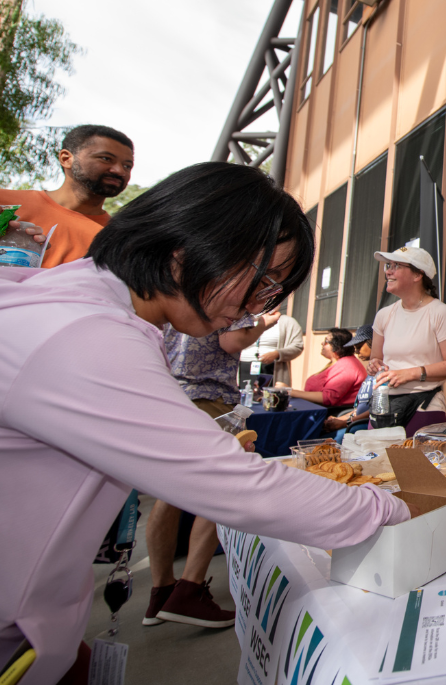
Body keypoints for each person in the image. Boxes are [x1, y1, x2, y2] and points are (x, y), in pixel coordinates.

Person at [0, 162, 411, 684]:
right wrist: (397, 509)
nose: (256, 308)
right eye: (262, 283)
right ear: (187, 249)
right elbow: (239, 488)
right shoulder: (86, 335)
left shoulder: (84, 307)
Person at [142, 311, 281, 629]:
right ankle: (189, 589)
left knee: (170, 493)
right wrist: (263, 324)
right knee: (220, 488)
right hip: (210, 398)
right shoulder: (233, 286)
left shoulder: (178, 281)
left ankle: (161, 591)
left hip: (173, 394)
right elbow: (231, 340)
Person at [0, 124, 134, 267]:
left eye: (127, 166)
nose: (119, 171)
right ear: (66, 159)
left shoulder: (120, 240)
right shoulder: (5, 202)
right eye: (106, 158)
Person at [368, 247, 446, 436]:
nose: (388, 271)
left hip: (424, 406)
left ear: (417, 275)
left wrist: (410, 374)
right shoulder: (384, 315)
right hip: (383, 404)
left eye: (396, 266)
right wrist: (373, 365)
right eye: (388, 265)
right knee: (377, 463)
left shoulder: (440, 312)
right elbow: (375, 359)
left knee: (416, 465)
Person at [290, 327, 367, 408]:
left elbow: (328, 398)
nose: (322, 343)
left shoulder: (347, 366)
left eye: (326, 341)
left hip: (330, 414)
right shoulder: (337, 363)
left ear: (337, 346)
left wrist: (292, 392)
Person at [324, 324, 375, 437]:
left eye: (359, 346)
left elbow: (375, 409)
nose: (356, 351)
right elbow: (360, 408)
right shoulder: (371, 373)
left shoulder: (383, 371)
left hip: (364, 425)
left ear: (373, 342)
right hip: (355, 420)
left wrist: (345, 422)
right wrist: (339, 419)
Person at [239, 310, 304, 389]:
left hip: (272, 368)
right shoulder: (243, 320)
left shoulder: (288, 322)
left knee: (269, 398)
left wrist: (277, 354)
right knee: (243, 396)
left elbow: (298, 346)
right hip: (243, 366)